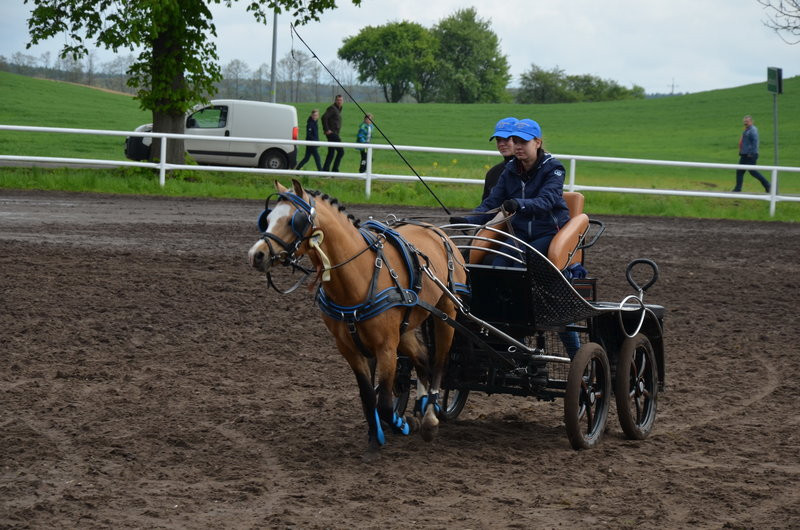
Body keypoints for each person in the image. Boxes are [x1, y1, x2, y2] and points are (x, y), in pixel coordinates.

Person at [450, 118, 570, 266]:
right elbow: (492, 202)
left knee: (523, 265)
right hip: (520, 233)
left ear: (537, 143)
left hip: (548, 232)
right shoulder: (510, 169)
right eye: (515, 142)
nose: (518, 146)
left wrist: (518, 204)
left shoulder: (553, 168)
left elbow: (546, 201)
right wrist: (468, 220)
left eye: (523, 142)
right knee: (498, 264)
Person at [733, 115, 770, 193]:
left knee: (752, 171)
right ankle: (738, 189)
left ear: (752, 122)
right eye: (744, 121)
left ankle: (768, 185)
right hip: (744, 154)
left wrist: (751, 153)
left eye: (747, 121)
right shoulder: (747, 130)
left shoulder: (753, 130)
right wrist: (741, 151)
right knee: (740, 171)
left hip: (750, 155)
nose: (745, 123)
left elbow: (755, 142)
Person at [483, 117, 517, 200]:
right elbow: (486, 204)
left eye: (506, 139)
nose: (501, 144)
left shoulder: (533, 170)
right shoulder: (493, 173)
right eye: (498, 140)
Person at [321, 94, 344, 172]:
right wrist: (327, 129)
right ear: (335, 100)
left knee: (331, 152)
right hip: (332, 134)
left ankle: (325, 170)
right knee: (341, 152)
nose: (339, 101)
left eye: (341, 100)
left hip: (335, 133)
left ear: (343, 101)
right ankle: (335, 169)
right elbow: (324, 117)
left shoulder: (338, 109)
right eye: (338, 100)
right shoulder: (332, 108)